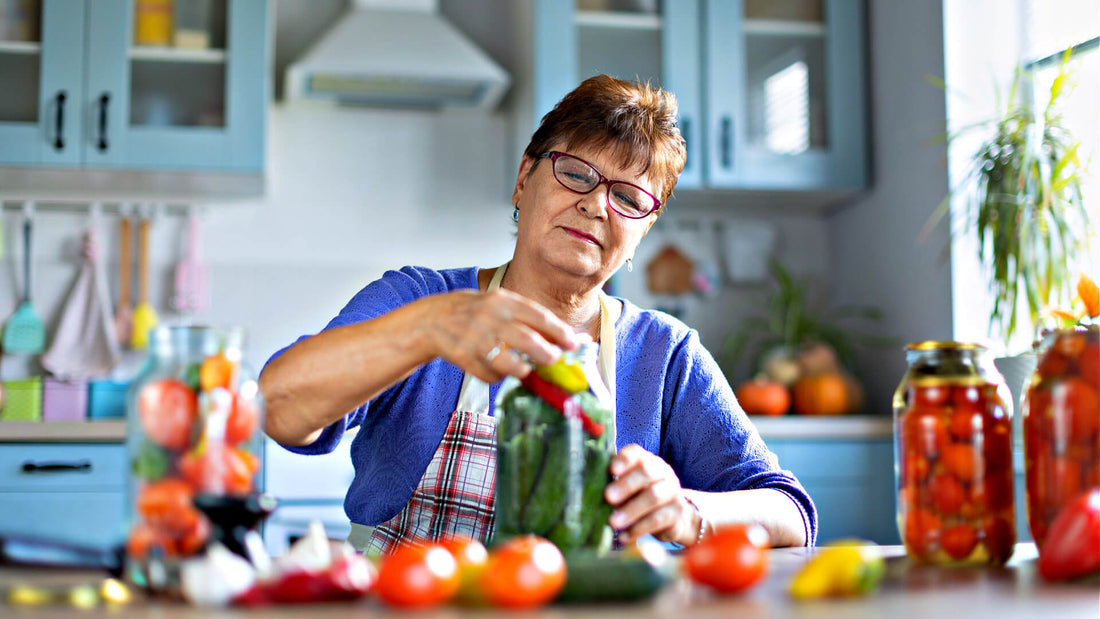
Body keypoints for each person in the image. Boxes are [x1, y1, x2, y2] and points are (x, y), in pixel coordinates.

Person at [260, 74, 816, 555]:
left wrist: (688, 510)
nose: (597, 204)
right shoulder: (416, 298)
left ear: (644, 229)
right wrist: (427, 328)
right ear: (524, 179)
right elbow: (280, 408)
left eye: (628, 197)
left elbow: (791, 513)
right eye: (576, 173)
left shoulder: (665, 353)